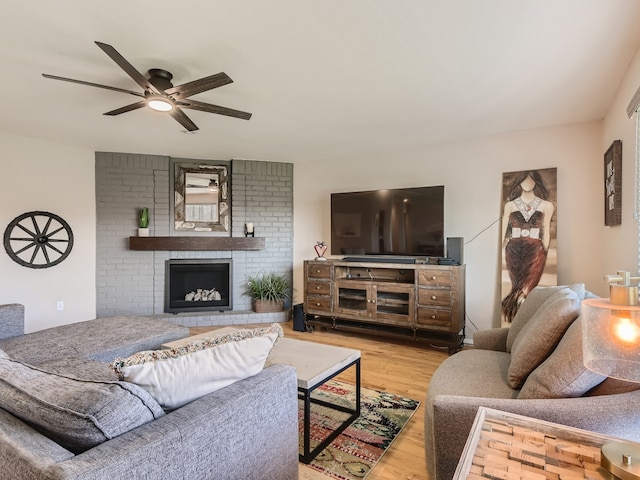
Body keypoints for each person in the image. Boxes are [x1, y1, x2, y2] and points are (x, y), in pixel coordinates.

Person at [501, 171, 555, 323]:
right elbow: (504, 229)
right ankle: (518, 317)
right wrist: (501, 247)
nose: (527, 184)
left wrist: (544, 249)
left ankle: (522, 315)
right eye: (524, 181)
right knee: (517, 284)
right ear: (519, 183)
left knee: (529, 283)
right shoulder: (510, 205)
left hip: (535, 248)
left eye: (531, 181)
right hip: (514, 247)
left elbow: (546, 229)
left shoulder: (546, 205)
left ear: (536, 182)